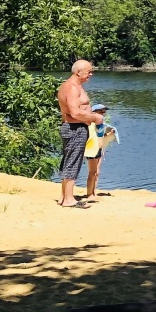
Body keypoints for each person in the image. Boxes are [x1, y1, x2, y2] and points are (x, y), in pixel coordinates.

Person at [56, 60, 105, 208]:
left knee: (70, 160)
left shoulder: (73, 86)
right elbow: (75, 112)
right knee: (73, 162)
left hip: (74, 128)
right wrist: (95, 118)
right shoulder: (72, 88)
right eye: (89, 71)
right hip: (74, 129)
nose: (91, 74)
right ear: (78, 72)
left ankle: (64, 197)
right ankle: (69, 199)